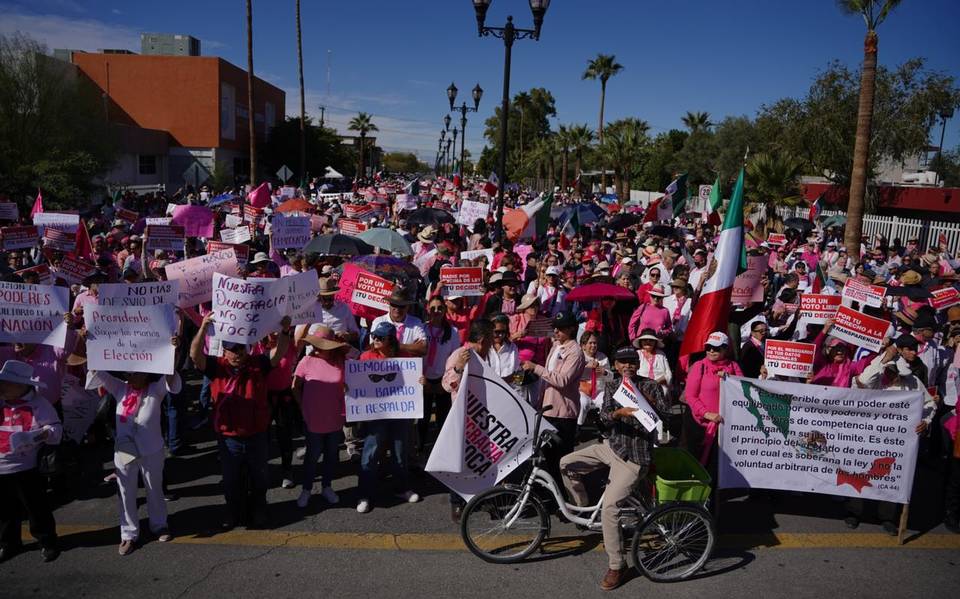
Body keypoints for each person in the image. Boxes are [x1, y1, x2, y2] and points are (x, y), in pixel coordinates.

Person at [560, 346, 671, 591]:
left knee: (610, 508)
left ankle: (617, 565)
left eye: (632, 362)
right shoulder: (613, 386)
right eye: (623, 363)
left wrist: (653, 404)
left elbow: (666, 417)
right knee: (566, 463)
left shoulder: (650, 386)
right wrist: (618, 413)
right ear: (616, 365)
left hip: (635, 457)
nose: (628, 366)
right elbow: (604, 417)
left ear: (637, 364)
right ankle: (583, 508)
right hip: (611, 447)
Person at [189, 313, 292, 529]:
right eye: (233, 350)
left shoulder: (259, 364)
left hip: (256, 434)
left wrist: (284, 331)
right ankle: (232, 512)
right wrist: (203, 328)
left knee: (260, 478)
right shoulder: (215, 366)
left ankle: (259, 509)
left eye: (241, 349)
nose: (237, 354)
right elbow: (194, 355)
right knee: (231, 481)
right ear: (224, 350)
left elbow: (279, 352)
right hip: (229, 439)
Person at [86, 344, 180, 556]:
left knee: (154, 488)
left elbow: (171, 379)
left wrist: (172, 350)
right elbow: (97, 371)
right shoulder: (120, 388)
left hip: (152, 450)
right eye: (129, 372)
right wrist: (91, 344)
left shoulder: (155, 390)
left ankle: (159, 525)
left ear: (147, 373)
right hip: (125, 451)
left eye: (137, 372)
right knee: (125, 491)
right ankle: (128, 533)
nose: (132, 376)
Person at [848, 339, 937, 533]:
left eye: (895, 372)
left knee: (890, 475)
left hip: (894, 441)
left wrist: (925, 421)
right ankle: (855, 511)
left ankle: (886, 515)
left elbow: (929, 404)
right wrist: (883, 360)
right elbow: (861, 382)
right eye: (889, 370)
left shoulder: (912, 382)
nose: (892, 375)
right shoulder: (873, 379)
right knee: (859, 471)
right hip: (866, 437)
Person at [0, 361, 62, 563]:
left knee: (36, 508)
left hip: (27, 468)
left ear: (21, 385)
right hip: (1, 467)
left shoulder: (39, 404)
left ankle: (47, 542)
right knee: (4, 511)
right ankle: (9, 543)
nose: (2, 387)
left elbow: (56, 431)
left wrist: (34, 437)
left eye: (6, 383)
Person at [356, 321, 420, 514]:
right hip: (376, 414)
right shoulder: (366, 357)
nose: (374, 339)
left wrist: (420, 380)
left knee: (400, 453)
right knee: (370, 454)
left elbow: (414, 380)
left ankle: (402, 488)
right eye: (374, 336)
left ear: (391, 340)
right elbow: (358, 381)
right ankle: (365, 494)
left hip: (399, 413)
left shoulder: (405, 358)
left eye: (380, 337)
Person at [522, 311, 586, 485]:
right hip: (548, 409)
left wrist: (536, 368)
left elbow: (562, 380)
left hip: (563, 413)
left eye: (561, 328)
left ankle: (568, 498)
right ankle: (553, 497)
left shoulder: (576, 352)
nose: (556, 332)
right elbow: (548, 377)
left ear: (572, 329)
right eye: (555, 328)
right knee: (548, 458)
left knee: (563, 460)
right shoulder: (556, 345)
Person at [292, 328, 349, 509]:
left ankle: (327, 487)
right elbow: (295, 386)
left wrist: (342, 343)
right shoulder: (306, 361)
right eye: (314, 345)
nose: (315, 349)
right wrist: (302, 407)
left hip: (335, 418)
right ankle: (306, 489)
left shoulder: (341, 361)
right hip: (313, 419)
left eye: (320, 346)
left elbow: (358, 359)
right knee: (312, 457)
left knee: (331, 456)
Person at [684, 332, 743, 474]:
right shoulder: (699, 366)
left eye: (716, 348)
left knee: (717, 466)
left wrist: (730, 379)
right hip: (700, 425)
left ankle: (713, 494)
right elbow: (690, 396)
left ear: (725, 349)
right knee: (696, 464)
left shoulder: (733, 366)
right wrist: (706, 413)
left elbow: (742, 390)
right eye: (708, 347)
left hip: (724, 425)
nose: (711, 351)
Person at [420, 296, 461, 451]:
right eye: (433, 308)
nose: (436, 311)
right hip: (423, 378)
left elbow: (454, 356)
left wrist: (448, 378)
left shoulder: (452, 332)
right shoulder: (422, 328)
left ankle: (441, 450)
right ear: (427, 309)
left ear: (445, 310)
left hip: (442, 379)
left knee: (442, 418)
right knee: (423, 419)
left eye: (440, 308)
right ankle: (421, 448)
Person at [369, 289, 427, 357]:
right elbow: (373, 346)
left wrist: (389, 345)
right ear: (389, 304)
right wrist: (411, 347)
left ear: (408, 306)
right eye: (394, 304)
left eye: (402, 306)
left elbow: (423, 349)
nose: (397, 308)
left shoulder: (416, 322)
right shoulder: (379, 321)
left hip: (408, 366)